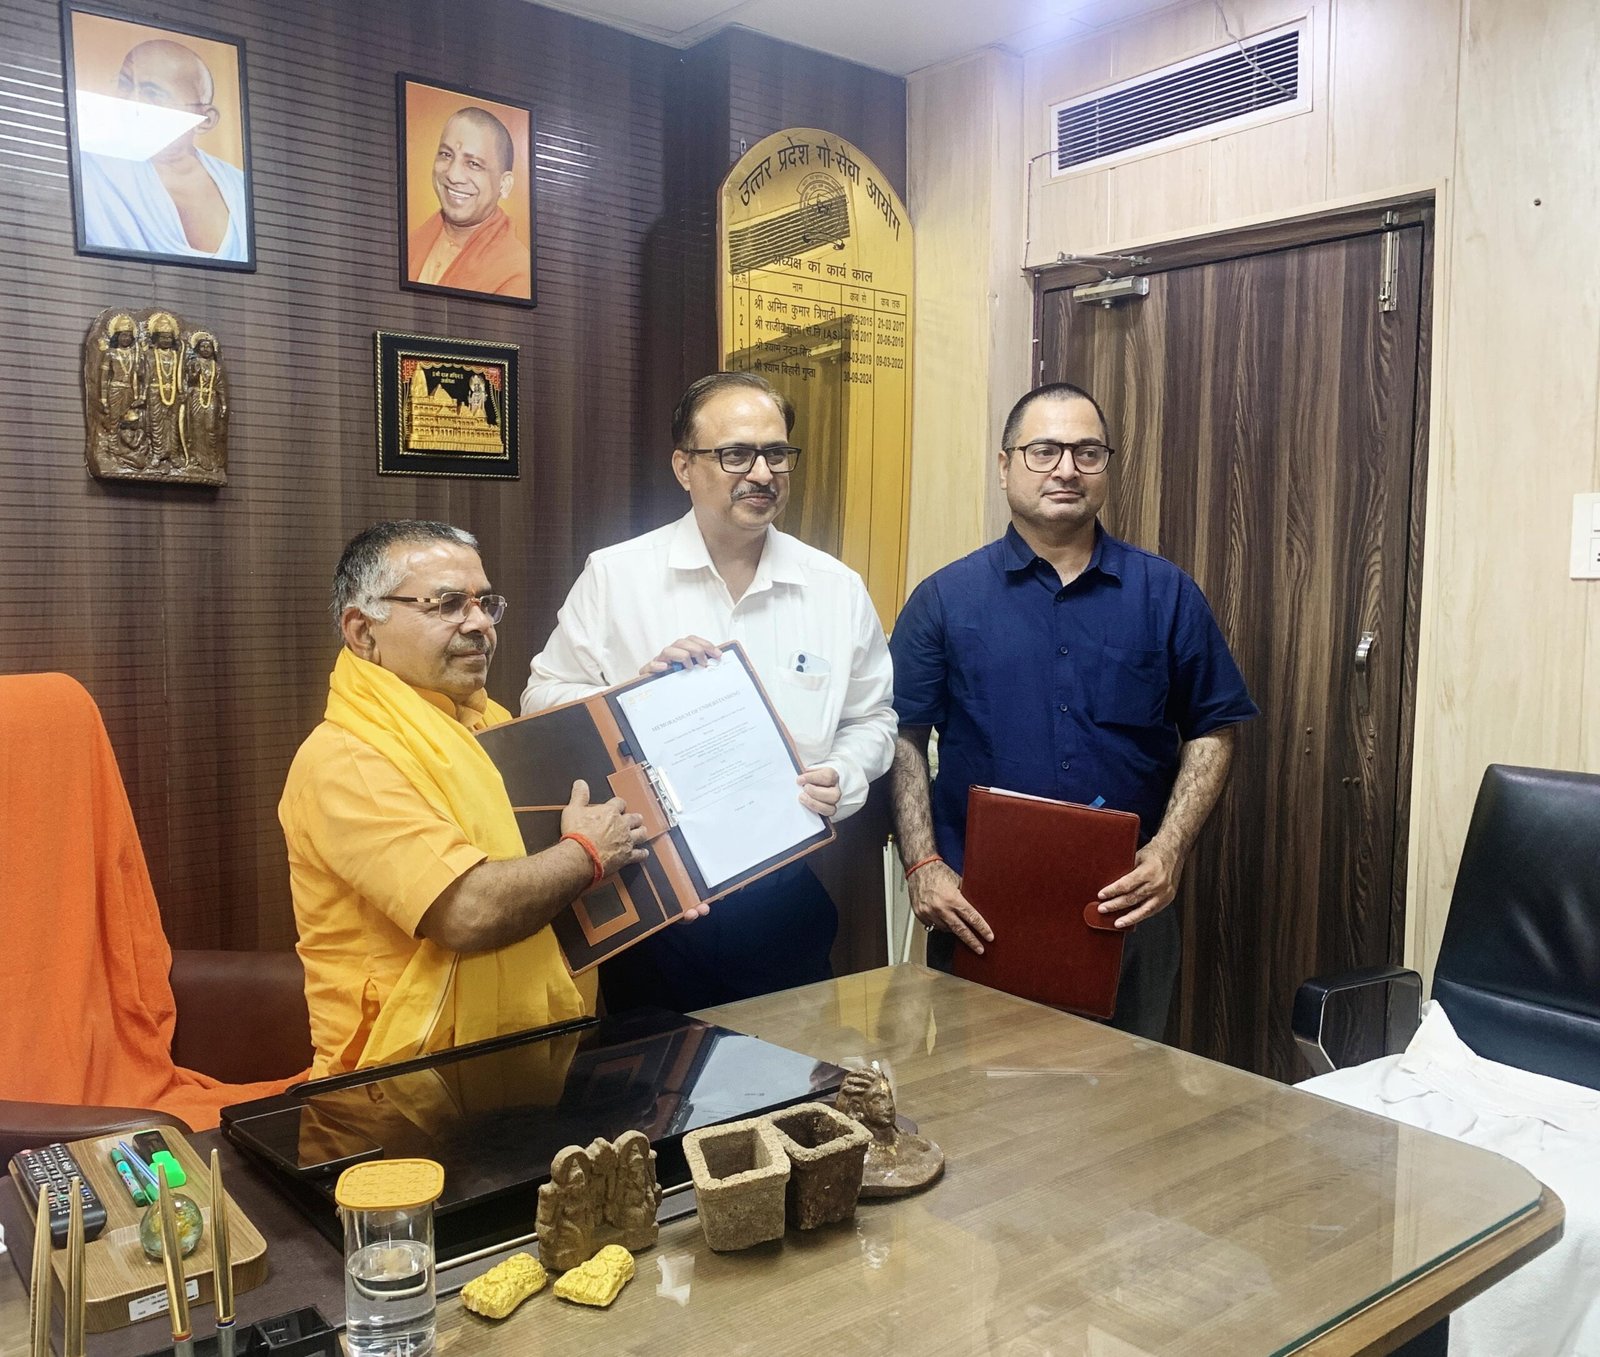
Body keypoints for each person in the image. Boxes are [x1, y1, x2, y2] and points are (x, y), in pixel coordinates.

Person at [889, 383, 1258, 1041]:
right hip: (978, 909)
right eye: (1044, 451)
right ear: (1005, 466)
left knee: (1124, 1093)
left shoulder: (1165, 594)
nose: (1066, 469)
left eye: (1087, 452)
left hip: (1125, 908)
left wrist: (1170, 849)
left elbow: (1213, 728)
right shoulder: (945, 599)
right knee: (978, 1093)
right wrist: (922, 864)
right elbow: (902, 736)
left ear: (1106, 466)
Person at [522, 371, 895, 1013]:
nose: (762, 473)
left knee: (794, 1067)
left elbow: (874, 718)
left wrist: (844, 773)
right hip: (657, 901)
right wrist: (632, 694)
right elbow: (541, 701)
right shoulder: (618, 577)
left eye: (776, 453)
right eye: (735, 455)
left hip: (785, 895)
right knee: (658, 1072)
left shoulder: (834, 588)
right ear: (683, 467)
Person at [280, 520, 648, 1077]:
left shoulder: (488, 721)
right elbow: (466, 912)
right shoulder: (346, 759)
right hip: (403, 1078)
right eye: (448, 604)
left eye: (484, 603)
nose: (479, 624)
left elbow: (546, 874)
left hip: (536, 1048)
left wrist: (664, 881)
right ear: (362, 631)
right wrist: (588, 854)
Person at [78, 39, 249, 261]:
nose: (130, 101)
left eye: (152, 93)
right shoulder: (91, 170)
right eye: (124, 84)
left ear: (205, 119)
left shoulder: (238, 187)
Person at [407, 107, 531, 297]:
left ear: (504, 185)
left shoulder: (515, 271)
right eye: (446, 155)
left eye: (474, 164)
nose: (453, 175)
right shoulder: (415, 241)